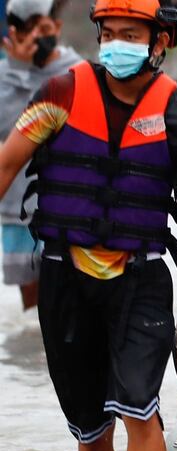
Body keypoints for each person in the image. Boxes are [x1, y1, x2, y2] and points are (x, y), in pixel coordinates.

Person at [0, 0, 177, 451]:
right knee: (91, 430)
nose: (116, 45)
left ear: (160, 42)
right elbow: (4, 166)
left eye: (131, 35)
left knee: (141, 412)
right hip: (65, 280)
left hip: (139, 281)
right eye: (109, 34)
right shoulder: (58, 96)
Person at [0, 0, 80, 310]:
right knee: (32, 303)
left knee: (69, 294)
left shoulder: (77, 73)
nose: (35, 37)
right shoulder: (5, 74)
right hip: (16, 207)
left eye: (42, 28)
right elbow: (8, 131)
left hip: (66, 204)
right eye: (26, 29)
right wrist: (18, 73)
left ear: (57, 27)